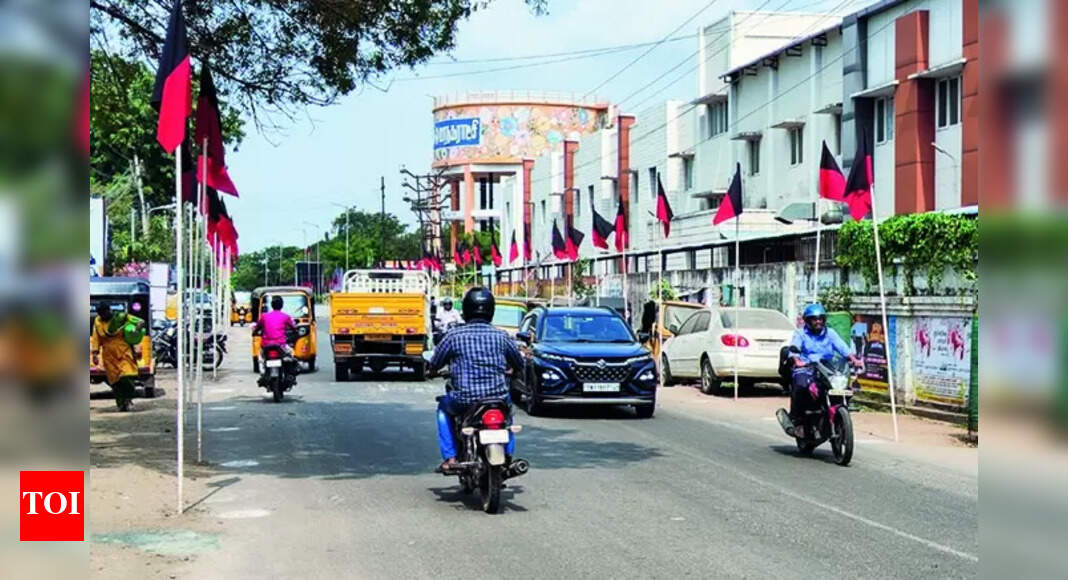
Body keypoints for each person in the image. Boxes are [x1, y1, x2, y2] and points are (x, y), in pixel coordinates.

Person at [428, 287, 524, 473]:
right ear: (491, 310)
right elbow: (519, 363)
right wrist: (512, 369)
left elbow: (435, 362)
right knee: (507, 414)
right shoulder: (501, 336)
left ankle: (450, 457)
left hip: (464, 400)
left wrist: (431, 370)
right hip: (497, 399)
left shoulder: (454, 336)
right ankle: (508, 455)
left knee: (442, 410)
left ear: (465, 310)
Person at [787, 303, 860, 437]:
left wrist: (854, 359)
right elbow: (794, 350)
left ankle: (838, 415)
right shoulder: (800, 333)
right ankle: (798, 421)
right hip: (806, 367)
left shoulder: (830, 333)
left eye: (820, 318)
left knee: (843, 386)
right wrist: (797, 361)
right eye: (814, 319)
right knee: (801, 385)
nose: (818, 322)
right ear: (808, 320)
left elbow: (842, 347)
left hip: (827, 368)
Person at [90, 303, 145, 411]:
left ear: (109, 310)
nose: (102, 315)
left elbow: (140, 321)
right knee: (115, 382)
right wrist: (95, 354)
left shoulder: (121, 317)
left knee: (127, 376)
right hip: (109, 355)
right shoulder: (97, 321)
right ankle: (121, 404)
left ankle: (128, 398)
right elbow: (96, 337)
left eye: (104, 313)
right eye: (100, 314)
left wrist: (137, 329)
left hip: (124, 351)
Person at [253, 296, 296, 383]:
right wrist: (295, 333)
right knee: (291, 353)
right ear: (282, 305)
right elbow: (293, 328)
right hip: (281, 345)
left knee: (261, 357)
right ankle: (289, 375)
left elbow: (257, 328)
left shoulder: (264, 316)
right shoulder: (286, 317)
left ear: (272, 305)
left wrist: (254, 333)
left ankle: (263, 374)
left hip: (266, 345)